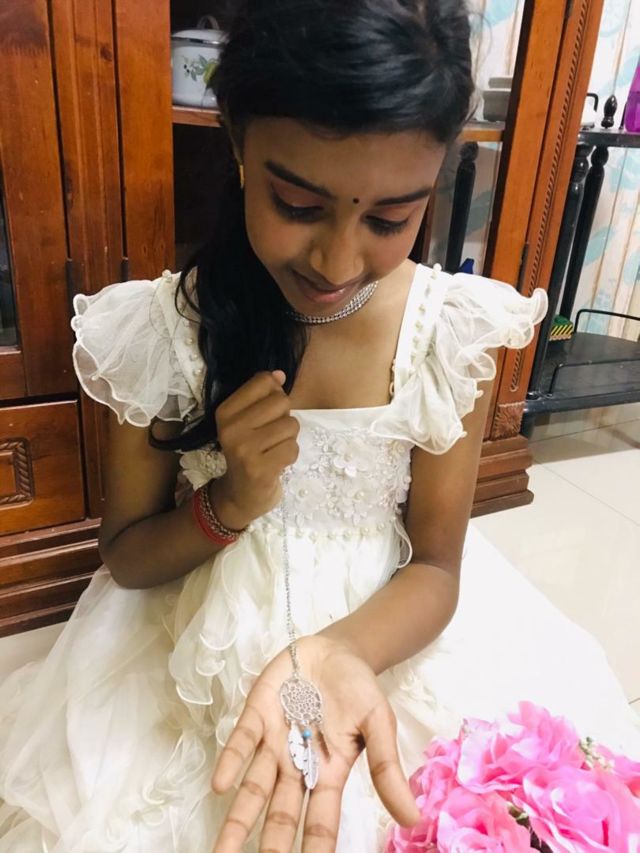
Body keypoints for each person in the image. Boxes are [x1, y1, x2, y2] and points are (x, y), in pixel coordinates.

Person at [1, 1, 639, 850]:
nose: (337, 262)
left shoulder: (444, 330)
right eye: (297, 203)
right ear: (238, 143)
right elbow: (127, 555)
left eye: (389, 219)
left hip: (386, 625)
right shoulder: (163, 328)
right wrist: (228, 503)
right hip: (188, 640)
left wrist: (335, 655)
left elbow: (437, 564)